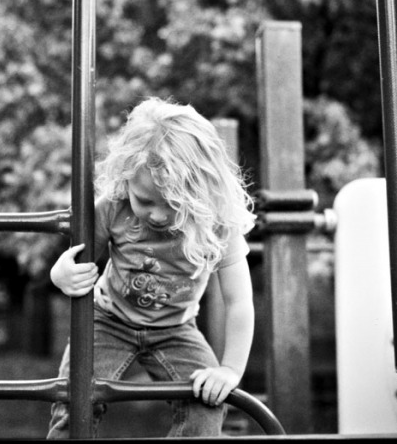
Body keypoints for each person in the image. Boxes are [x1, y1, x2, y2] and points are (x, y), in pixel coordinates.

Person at [47, 97, 256, 438]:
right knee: (75, 400)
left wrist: (230, 369)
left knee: (207, 404)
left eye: (174, 205)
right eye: (145, 201)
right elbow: (76, 262)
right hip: (108, 321)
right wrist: (61, 275)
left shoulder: (216, 222)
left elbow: (239, 302)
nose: (157, 216)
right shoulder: (113, 208)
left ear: (200, 193)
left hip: (176, 329)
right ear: (125, 178)